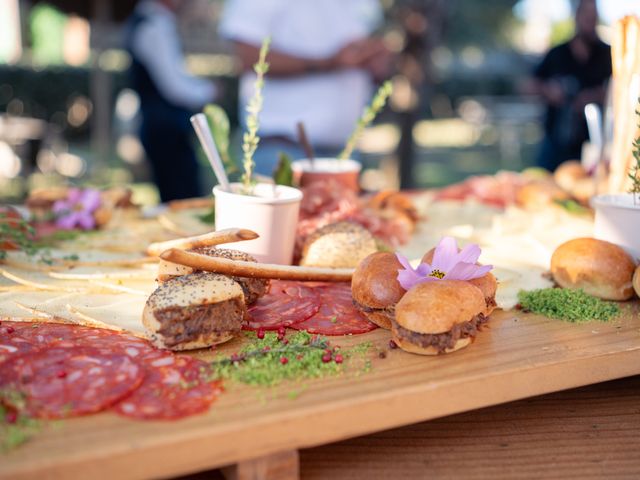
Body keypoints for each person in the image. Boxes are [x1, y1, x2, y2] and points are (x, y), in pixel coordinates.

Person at [219, 0, 392, 175]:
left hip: (346, 150)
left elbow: (369, 49)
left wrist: (376, 61)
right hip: (281, 149)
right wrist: (329, 63)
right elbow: (249, 56)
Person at [125, 0, 219, 202]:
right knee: (182, 200)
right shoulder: (153, 25)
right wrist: (208, 91)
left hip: (163, 126)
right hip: (165, 129)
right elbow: (174, 87)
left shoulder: (154, 21)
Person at [528, 0, 611, 172]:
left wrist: (595, 96)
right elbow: (528, 85)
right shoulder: (557, 53)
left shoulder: (608, 54)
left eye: (593, 16)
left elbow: (622, 91)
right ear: (577, 17)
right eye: (586, 16)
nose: (590, 20)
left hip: (593, 142)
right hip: (556, 139)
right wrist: (549, 90)